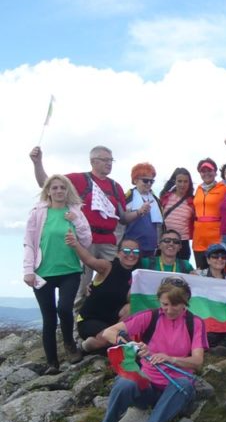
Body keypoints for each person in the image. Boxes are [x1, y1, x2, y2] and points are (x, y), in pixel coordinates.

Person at [84, 278, 206, 422]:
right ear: (159, 301)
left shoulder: (195, 323)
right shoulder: (151, 317)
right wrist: (129, 344)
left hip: (174, 388)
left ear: (185, 303)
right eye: (165, 304)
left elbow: (198, 361)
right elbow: (109, 332)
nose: (170, 309)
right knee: (126, 382)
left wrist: (170, 359)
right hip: (147, 385)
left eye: (176, 304)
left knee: (185, 384)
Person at [30, 146, 142, 306]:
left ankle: (107, 322)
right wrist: (37, 163)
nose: (109, 163)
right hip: (85, 241)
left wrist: (139, 213)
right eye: (105, 160)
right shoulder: (79, 179)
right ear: (93, 161)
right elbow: (45, 184)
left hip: (109, 241)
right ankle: (77, 328)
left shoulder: (116, 187)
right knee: (81, 285)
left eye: (111, 160)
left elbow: (122, 218)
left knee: (114, 281)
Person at [23, 175, 92, 373]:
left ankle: (70, 344)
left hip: (70, 270)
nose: (59, 191)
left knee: (64, 308)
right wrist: (28, 270)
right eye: (55, 188)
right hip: (43, 271)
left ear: (68, 190)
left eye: (63, 187)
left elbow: (87, 240)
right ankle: (52, 363)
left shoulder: (75, 212)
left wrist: (76, 221)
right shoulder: (38, 213)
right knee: (49, 318)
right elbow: (29, 242)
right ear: (48, 191)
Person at [69, 236, 141, 356]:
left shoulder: (137, 275)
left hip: (112, 322)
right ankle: (84, 346)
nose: (131, 254)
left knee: (131, 307)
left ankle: (108, 341)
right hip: (90, 319)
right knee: (106, 341)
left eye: (136, 251)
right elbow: (89, 260)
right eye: (127, 251)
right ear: (118, 253)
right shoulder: (108, 266)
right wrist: (75, 244)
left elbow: (131, 300)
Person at [192, 158, 226, 270]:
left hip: (216, 236)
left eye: (209, 170)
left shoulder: (224, 188)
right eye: (203, 171)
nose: (206, 173)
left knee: (217, 271)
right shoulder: (197, 189)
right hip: (199, 238)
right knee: (200, 271)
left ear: (215, 172)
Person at [124, 163, 162, 259]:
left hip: (151, 247)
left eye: (151, 181)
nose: (149, 184)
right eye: (145, 180)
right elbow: (121, 220)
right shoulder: (128, 198)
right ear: (135, 180)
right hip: (131, 248)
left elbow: (159, 226)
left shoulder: (156, 199)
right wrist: (139, 212)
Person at [159, 168, 195, 260]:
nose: (182, 184)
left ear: (189, 183)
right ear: (175, 181)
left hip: (182, 243)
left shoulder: (193, 201)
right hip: (165, 241)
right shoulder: (165, 197)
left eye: (186, 181)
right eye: (180, 181)